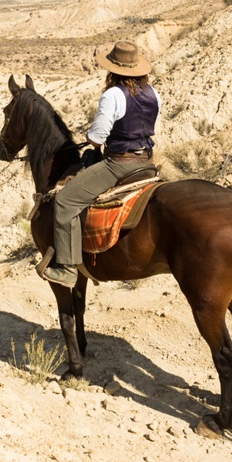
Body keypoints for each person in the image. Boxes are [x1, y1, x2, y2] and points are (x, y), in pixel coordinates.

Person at [42, 41, 161, 287]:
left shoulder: (113, 94)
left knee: (65, 201)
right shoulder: (153, 92)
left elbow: (97, 138)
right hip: (147, 161)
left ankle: (67, 268)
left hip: (120, 163)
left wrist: (90, 137)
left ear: (113, 70)